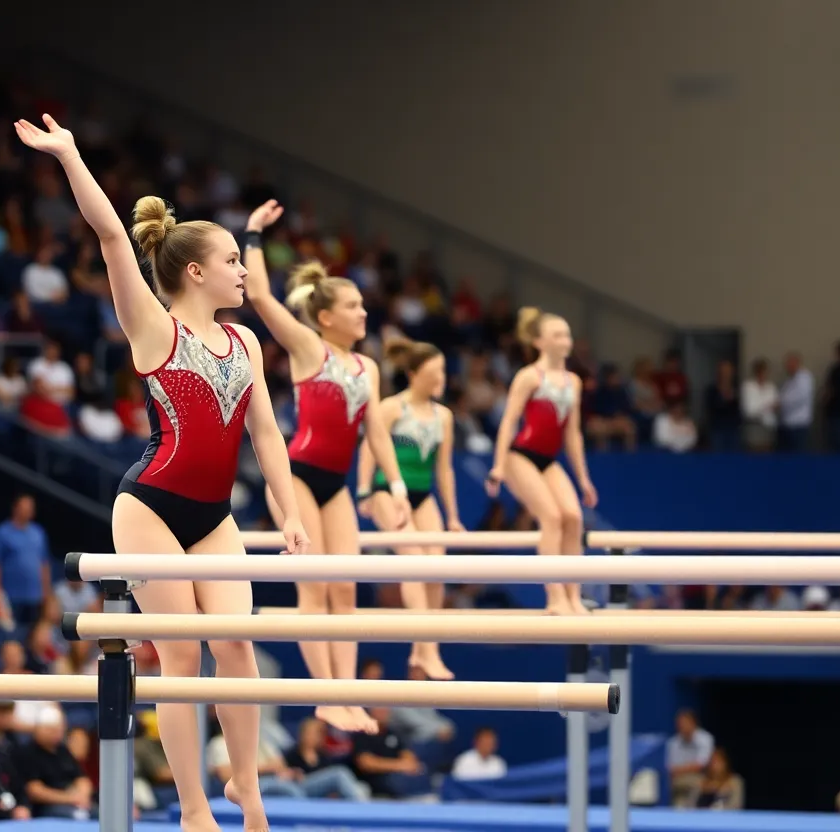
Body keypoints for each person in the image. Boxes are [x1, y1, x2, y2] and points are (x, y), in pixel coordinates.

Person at [14, 114, 308, 832]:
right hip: (148, 508)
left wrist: (291, 510)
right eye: (234, 259)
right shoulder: (155, 327)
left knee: (236, 644)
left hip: (213, 516)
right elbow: (113, 237)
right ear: (196, 271)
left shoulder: (244, 342)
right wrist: (71, 155)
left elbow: (268, 434)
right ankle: (192, 807)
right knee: (182, 655)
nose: (245, 270)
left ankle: (249, 791)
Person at [240, 199, 409, 734]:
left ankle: (347, 696)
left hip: (335, 483)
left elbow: (376, 432)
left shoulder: (368, 367)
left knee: (346, 590)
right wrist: (252, 234)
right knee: (314, 590)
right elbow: (261, 295)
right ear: (327, 316)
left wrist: (396, 483)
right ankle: (325, 698)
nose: (365, 313)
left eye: (364, 305)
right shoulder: (309, 347)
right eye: (354, 306)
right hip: (297, 478)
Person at [356, 338, 462, 679]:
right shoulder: (392, 408)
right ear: (415, 374)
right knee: (415, 563)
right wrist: (363, 492)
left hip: (423, 494)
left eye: (443, 370)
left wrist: (455, 516)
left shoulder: (443, 416)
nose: (441, 377)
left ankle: (421, 651)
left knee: (437, 567)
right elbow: (370, 448)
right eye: (435, 371)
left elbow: (444, 470)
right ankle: (429, 650)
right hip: (388, 490)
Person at [486, 307, 597, 615]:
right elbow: (508, 422)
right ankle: (555, 597)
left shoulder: (573, 381)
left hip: (548, 459)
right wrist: (497, 465)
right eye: (558, 335)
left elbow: (572, 435)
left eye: (567, 334)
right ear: (539, 342)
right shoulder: (529, 377)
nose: (566, 340)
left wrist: (583, 479)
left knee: (573, 517)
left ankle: (574, 596)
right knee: (551, 517)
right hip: (519, 457)